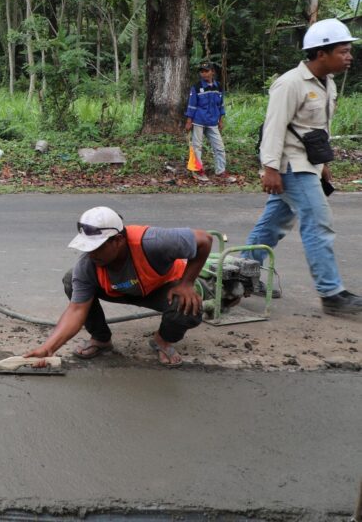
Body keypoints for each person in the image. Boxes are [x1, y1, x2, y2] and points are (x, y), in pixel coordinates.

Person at [244, 18, 362, 315]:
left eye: (349, 51)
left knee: (273, 224)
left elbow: (317, 129)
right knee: (318, 222)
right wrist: (270, 169)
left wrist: (323, 164)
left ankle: (240, 273)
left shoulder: (327, 83)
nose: (349, 56)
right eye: (343, 51)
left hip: (308, 163)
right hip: (290, 166)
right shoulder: (290, 83)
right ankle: (331, 293)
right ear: (321, 53)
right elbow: (273, 127)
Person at [25, 206, 211, 367]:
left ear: (118, 240)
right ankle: (101, 339)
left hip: (161, 288)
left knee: (188, 308)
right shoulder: (88, 265)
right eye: (88, 248)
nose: (92, 254)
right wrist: (48, 348)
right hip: (119, 290)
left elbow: (205, 240)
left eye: (97, 247)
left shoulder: (151, 241)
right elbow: (76, 310)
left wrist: (186, 283)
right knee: (70, 279)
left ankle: (162, 340)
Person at [184, 60, 226, 181]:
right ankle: (198, 171)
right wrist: (188, 121)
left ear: (212, 72)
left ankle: (221, 171)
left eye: (206, 71)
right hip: (198, 121)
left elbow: (221, 105)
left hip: (213, 122)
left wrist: (221, 120)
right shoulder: (196, 87)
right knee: (197, 147)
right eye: (202, 72)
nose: (204, 74)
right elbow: (192, 105)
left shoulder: (218, 86)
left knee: (219, 147)